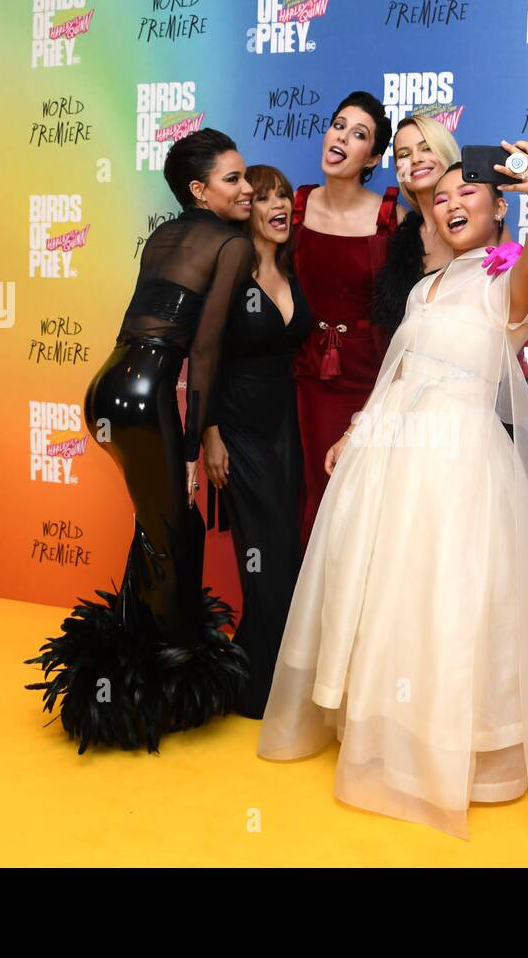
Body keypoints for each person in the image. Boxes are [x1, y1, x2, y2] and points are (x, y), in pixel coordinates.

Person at [257, 141, 528, 842]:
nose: (451, 204)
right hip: (391, 459)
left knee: (452, 599)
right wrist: (357, 431)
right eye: (439, 198)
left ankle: (463, 753)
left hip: (457, 463)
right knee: (396, 595)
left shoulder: (503, 275)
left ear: (498, 204)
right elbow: (399, 375)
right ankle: (390, 735)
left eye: (468, 192)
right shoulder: (425, 287)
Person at [26, 129, 254, 753]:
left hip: (104, 389)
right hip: (145, 394)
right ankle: (164, 688)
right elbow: (202, 353)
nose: (248, 188)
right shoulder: (232, 244)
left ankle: (132, 667)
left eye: (245, 177)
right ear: (199, 190)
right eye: (233, 179)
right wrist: (191, 444)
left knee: (155, 530)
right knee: (174, 533)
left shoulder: (162, 236)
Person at [200, 164, 313, 719]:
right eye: (265, 196)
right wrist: (211, 434)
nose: (279, 204)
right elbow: (206, 356)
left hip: (286, 428)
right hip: (239, 428)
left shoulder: (292, 271)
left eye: (286, 195)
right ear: (248, 209)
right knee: (265, 555)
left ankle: (260, 675)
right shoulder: (231, 270)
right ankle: (257, 692)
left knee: (287, 552)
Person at [290, 91, 402, 546]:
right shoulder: (295, 206)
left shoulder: (387, 217)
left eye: (359, 134)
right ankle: (307, 612)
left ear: (373, 156)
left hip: (367, 378)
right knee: (310, 495)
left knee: (358, 503)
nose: (342, 137)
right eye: (339, 125)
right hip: (304, 376)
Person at [373, 114, 528, 376]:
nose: (416, 159)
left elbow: (522, 302)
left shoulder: (485, 227)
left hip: (477, 385)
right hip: (412, 387)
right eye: (404, 154)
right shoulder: (401, 235)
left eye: (426, 147)